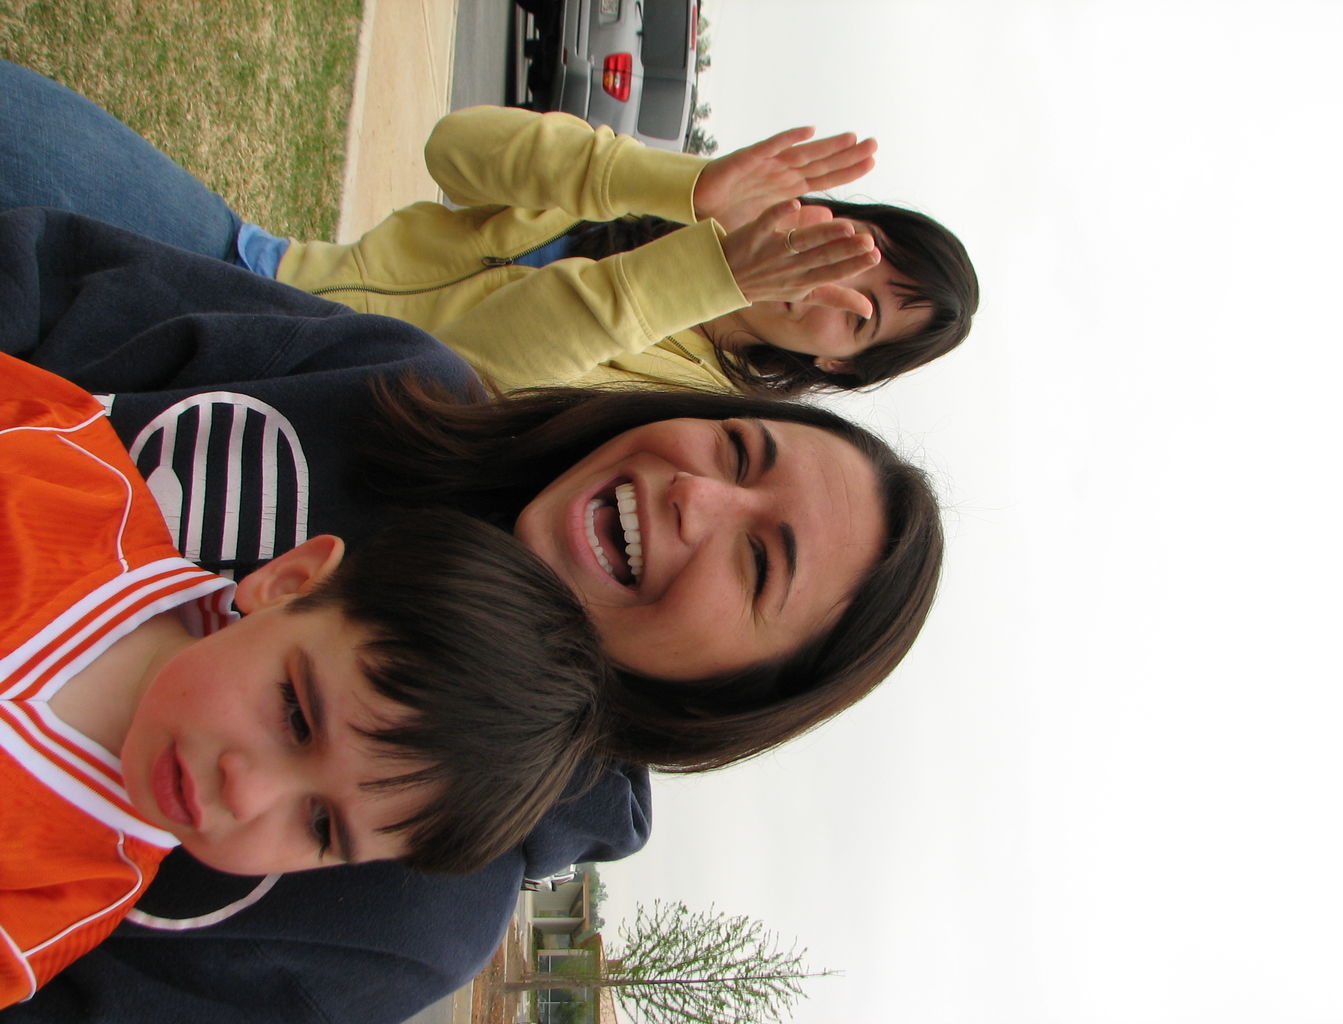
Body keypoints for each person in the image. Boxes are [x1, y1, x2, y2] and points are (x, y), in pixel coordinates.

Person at [0, 208, 942, 1020]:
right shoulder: (393, 386)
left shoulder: (410, 913)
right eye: (737, 451)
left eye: (757, 562)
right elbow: (58, 280)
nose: (699, 498)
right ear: (292, 581)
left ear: (727, 694)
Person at [0, 354, 610, 1007]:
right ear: (290, 582)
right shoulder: (63, 462)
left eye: (321, 826)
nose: (249, 791)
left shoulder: (57, 908)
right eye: (297, 716)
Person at [0, 59, 979, 397]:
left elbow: (450, 370)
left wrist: (708, 278)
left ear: (842, 370)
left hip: (271, 382)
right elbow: (456, 149)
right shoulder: (665, 210)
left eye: (861, 319)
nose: (825, 286)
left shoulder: (697, 411)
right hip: (245, 260)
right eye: (854, 253)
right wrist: (682, 189)